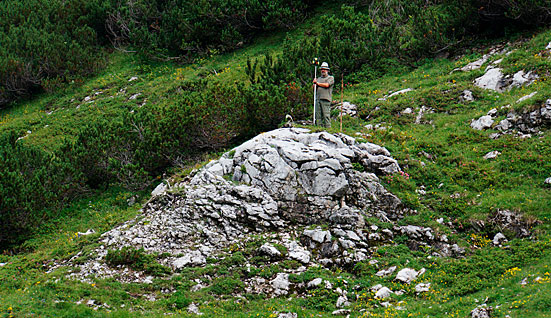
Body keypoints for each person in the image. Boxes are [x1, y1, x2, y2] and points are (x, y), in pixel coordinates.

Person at [313, 62, 334, 128]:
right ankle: (319, 128)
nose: (323, 70)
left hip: (326, 99)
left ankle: (328, 129)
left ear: (327, 70)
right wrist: (314, 84)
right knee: (318, 115)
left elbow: (327, 85)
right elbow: (314, 88)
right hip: (318, 98)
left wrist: (317, 83)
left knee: (326, 115)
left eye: (324, 69)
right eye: (322, 69)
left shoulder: (330, 78)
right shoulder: (318, 78)